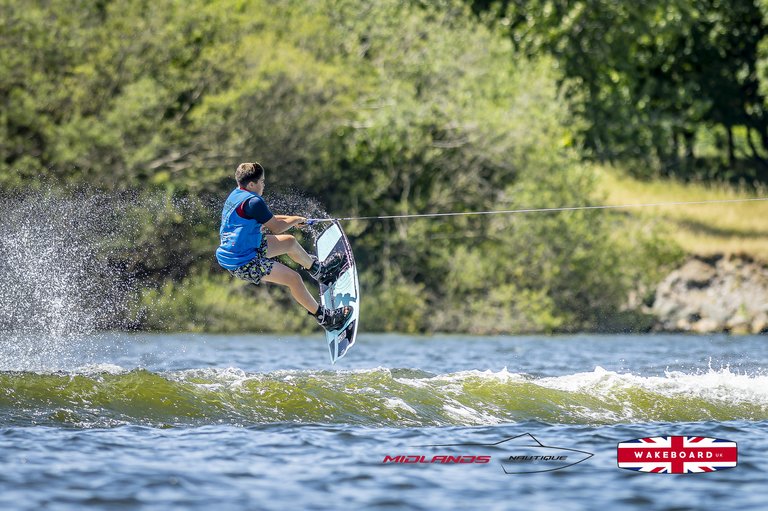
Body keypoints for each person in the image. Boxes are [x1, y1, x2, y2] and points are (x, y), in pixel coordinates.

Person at [215, 162, 353, 330]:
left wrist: (294, 218)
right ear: (252, 184)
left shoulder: (238, 195)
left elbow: (268, 218)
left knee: (289, 242)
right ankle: (326, 319)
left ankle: (320, 271)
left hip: (246, 248)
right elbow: (276, 227)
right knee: (293, 279)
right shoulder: (253, 202)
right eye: (262, 181)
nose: (264, 185)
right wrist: (294, 220)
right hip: (243, 261)